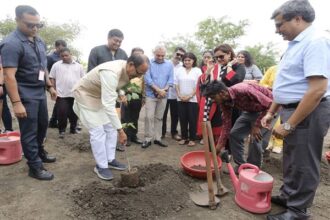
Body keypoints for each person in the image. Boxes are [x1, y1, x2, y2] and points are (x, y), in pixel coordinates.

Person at [261, 1, 330, 219]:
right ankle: (289, 196)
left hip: (309, 111)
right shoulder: (295, 45)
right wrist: (272, 113)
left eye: (280, 24)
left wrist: (290, 124)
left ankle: (298, 210)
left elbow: (317, 89)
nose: (277, 30)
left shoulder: (316, 41)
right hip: (292, 109)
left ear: (298, 18)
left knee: (304, 161)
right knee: (292, 158)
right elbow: (287, 85)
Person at [0, 5, 57, 180]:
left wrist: (49, 86)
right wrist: (16, 103)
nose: (34, 29)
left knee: (42, 125)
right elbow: (9, 76)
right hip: (24, 94)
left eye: (37, 25)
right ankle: (34, 166)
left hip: (39, 91)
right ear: (17, 20)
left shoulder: (38, 41)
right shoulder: (11, 43)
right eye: (29, 25)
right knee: (29, 131)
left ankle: (39, 153)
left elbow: (43, 66)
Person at [73, 54, 149, 180]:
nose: (139, 76)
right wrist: (121, 131)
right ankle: (101, 166)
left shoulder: (127, 68)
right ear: (130, 65)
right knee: (97, 130)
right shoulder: (111, 72)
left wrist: (121, 93)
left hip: (100, 95)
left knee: (110, 128)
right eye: (139, 72)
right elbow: (109, 105)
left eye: (142, 74)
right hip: (86, 95)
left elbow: (116, 85)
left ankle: (110, 159)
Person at [203, 81, 273, 170]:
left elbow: (270, 104)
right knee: (234, 134)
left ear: (222, 93)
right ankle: (241, 166)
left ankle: (253, 169)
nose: (212, 101)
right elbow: (226, 125)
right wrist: (219, 145)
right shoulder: (224, 101)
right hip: (250, 111)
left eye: (213, 97)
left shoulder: (244, 90)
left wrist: (257, 125)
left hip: (269, 110)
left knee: (255, 139)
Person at [196, 44, 246, 149]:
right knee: (215, 127)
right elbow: (205, 87)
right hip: (216, 104)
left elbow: (234, 80)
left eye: (221, 56)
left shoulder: (238, 66)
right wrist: (208, 71)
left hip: (232, 104)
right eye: (216, 57)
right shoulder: (215, 67)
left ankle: (228, 152)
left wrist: (229, 67)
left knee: (230, 128)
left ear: (229, 54)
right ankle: (213, 151)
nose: (218, 59)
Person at [87, 28, 128, 152]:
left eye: (120, 41)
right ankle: (100, 145)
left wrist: (122, 92)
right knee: (99, 121)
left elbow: (124, 76)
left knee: (113, 118)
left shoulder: (123, 54)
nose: (118, 43)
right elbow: (90, 72)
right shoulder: (96, 51)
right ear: (109, 38)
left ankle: (112, 145)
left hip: (115, 93)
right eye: (115, 40)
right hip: (98, 92)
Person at [142, 45, 174, 148]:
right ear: (154, 53)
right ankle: (147, 139)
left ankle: (157, 138)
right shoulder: (148, 63)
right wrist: (158, 90)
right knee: (148, 117)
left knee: (159, 118)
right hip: (151, 95)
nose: (160, 57)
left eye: (162, 55)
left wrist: (163, 91)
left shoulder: (169, 64)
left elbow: (170, 80)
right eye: (158, 55)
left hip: (163, 95)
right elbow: (147, 79)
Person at [49, 47, 85, 138]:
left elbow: (83, 79)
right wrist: (53, 89)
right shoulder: (56, 65)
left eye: (66, 55)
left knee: (74, 113)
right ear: (60, 56)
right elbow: (52, 78)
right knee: (62, 112)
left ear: (70, 55)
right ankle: (62, 130)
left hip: (75, 94)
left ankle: (73, 129)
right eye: (62, 56)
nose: (64, 57)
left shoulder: (79, 66)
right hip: (61, 94)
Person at [175, 52, 202, 146]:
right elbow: (176, 84)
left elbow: (198, 85)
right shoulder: (179, 70)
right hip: (180, 99)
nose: (187, 62)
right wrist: (179, 95)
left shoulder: (197, 70)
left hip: (193, 99)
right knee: (182, 119)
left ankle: (192, 138)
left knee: (192, 119)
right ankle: (183, 137)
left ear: (193, 61)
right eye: (185, 60)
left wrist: (189, 96)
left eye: (189, 60)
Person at [121, 47, 145, 146]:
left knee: (135, 116)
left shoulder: (143, 67)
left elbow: (144, 83)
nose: (139, 56)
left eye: (141, 54)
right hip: (126, 93)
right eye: (137, 54)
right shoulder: (126, 66)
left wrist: (143, 96)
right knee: (126, 116)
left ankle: (134, 136)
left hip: (137, 95)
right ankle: (126, 137)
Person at [162, 47, 186, 141]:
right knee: (162, 114)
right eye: (178, 54)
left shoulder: (183, 66)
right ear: (174, 53)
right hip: (164, 93)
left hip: (176, 95)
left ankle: (174, 132)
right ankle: (162, 132)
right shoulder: (166, 63)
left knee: (175, 115)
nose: (179, 56)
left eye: (181, 55)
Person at [259, 65, 283, 154]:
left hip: (284, 99)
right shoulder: (273, 69)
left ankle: (278, 144)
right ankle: (269, 143)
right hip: (270, 98)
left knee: (280, 123)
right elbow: (262, 82)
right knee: (269, 123)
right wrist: (268, 87)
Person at [47, 39, 67, 128]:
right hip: (54, 82)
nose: (62, 50)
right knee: (59, 101)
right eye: (60, 48)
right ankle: (53, 121)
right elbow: (46, 71)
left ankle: (54, 121)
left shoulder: (65, 55)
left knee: (60, 102)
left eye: (64, 48)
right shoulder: (50, 57)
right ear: (56, 47)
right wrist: (50, 86)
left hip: (64, 82)